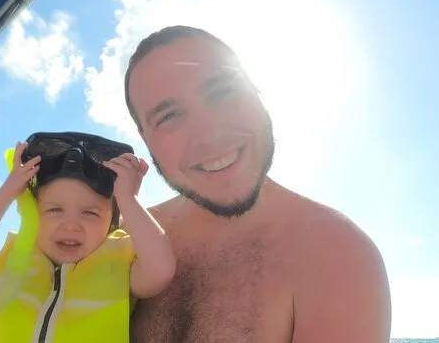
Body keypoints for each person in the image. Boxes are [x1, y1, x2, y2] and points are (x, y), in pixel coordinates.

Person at [123, 26, 392, 342]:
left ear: (256, 90)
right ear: (145, 137)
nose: (210, 135)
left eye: (223, 93)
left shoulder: (334, 255)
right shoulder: (120, 238)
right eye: (168, 116)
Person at [0, 133, 175, 342]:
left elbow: (160, 270)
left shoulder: (118, 264)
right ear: (32, 213)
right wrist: (8, 191)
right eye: (55, 210)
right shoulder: (14, 265)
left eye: (89, 213)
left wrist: (129, 199)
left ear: (112, 221)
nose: (70, 225)